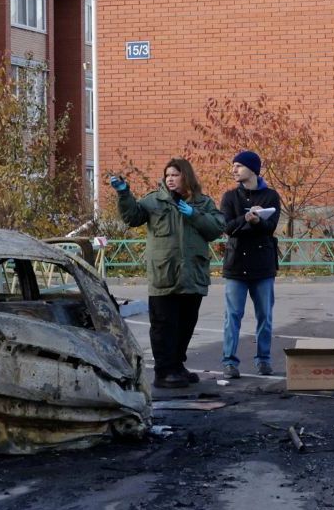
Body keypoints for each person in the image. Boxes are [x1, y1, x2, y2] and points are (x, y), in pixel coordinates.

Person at [112, 159, 225, 388]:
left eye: (175, 174)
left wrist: (194, 214)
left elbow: (216, 229)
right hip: (164, 274)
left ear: (186, 177)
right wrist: (124, 194)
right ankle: (164, 372)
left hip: (192, 274)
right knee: (164, 325)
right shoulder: (155, 200)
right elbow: (133, 217)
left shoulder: (203, 203)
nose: (170, 179)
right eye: (167, 175)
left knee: (186, 323)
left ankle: (177, 366)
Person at [219, 151, 281, 379]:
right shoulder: (230, 197)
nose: (234, 170)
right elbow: (227, 227)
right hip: (236, 266)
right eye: (233, 166)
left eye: (238, 166)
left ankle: (263, 360)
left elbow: (270, 227)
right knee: (232, 315)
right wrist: (246, 219)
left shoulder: (270, 196)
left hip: (263, 265)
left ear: (253, 169)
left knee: (265, 315)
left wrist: (257, 222)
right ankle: (229, 362)